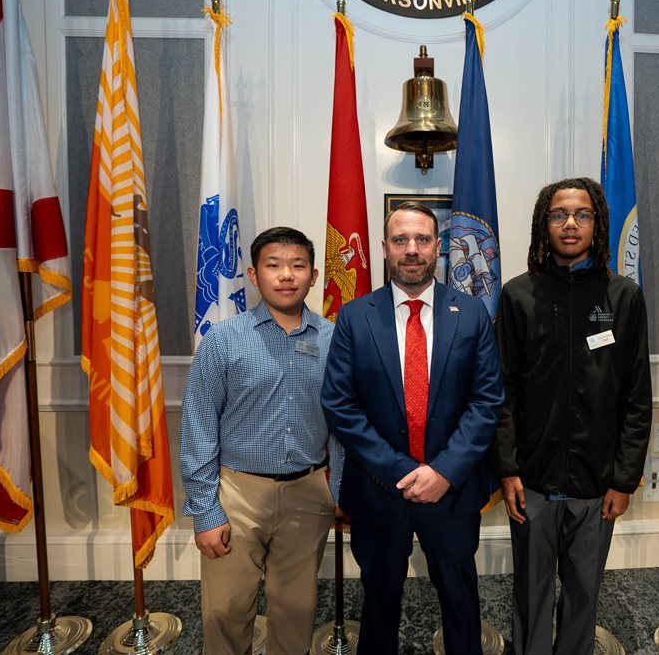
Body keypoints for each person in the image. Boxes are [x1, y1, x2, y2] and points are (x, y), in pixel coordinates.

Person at [321, 201, 504, 654]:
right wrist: (402, 470)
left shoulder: (472, 313)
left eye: (422, 239)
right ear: (384, 248)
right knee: (380, 601)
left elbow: (487, 402)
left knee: (460, 600)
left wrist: (443, 472)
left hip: (453, 489)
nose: (411, 249)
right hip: (380, 489)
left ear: (438, 248)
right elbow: (340, 405)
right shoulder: (354, 316)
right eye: (400, 240)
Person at [491, 178, 652, 655]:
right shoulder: (518, 295)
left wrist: (623, 480)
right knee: (531, 595)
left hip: (597, 487)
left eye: (582, 215)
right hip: (531, 485)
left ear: (597, 224)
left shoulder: (623, 297)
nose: (570, 224)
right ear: (545, 223)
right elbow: (502, 392)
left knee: (584, 596)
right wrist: (507, 469)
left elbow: (636, 397)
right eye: (559, 214)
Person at [180, 226, 343, 655]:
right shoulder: (223, 340)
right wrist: (205, 510)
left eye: (297, 265)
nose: (286, 274)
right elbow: (197, 425)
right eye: (274, 265)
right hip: (237, 492)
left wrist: (338, 490)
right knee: (226, 611)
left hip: (308, 491)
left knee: (296, 611)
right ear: (254, 275)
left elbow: (342, 424)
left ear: (312, 275)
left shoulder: (333, 341)